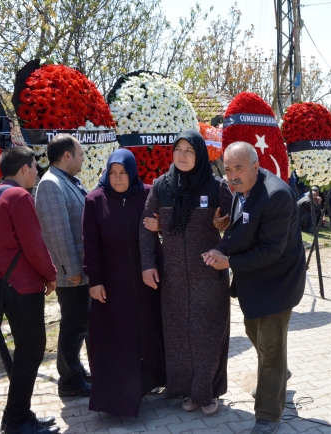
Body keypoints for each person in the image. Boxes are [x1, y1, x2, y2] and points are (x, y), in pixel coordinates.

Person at [202, 142, 306, 434]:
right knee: (256, 334)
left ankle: (268, 415)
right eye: (228, 168)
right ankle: (278, 374)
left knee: (270, 347)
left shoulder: (277, 196)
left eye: (239, 168)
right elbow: (241, 229)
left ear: (255, 167)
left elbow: (271, 251)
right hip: (253, 282)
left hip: (278, 283)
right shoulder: (241, 189)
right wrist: (222, 239)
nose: (232, 175)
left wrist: (229, 262)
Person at [139, 130, 232, 415]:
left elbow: (235, 231)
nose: (182, 155)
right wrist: (148, 264)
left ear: (200, 154)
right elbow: (145, 228)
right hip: (174, 277)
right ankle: (187, 391)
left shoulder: (217, 188)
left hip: (209, 277)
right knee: (179, 336)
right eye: (178, 149)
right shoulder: (161, 186)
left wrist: (221, 231)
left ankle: (206, 392)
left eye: (189, 150)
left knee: (207, 335)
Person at [82, 149, 165, 417]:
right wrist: (94, 280)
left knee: (150, 334)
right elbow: (90, 245)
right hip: (112, 285)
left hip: (146, 281)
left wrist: (161, 226)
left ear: (133, 173)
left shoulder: (148, 194)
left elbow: (166, 227)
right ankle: (116, 402)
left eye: (123, 173)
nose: (118, 179)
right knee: (117, 341)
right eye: (113, 173)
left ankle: (150, 383)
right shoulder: (95, 201)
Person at [0, 147, 59, 434]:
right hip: (22, 285)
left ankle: (19, 415)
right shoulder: (18, 196)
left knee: (26, 352)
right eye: (34, 167)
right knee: (31, 352)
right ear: (24, 168)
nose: (37, 172)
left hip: (4, 285)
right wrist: (50, 275)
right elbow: (34, 245)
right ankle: (16, 421)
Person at [34, 134, 91, 398]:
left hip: (79, 271)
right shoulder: (51, 185)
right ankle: (69, 379)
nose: (82, 159)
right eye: (80, 154)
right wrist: (72, 271)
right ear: (67, 156)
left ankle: (75, 369)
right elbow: (58, 233)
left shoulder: (68, 181)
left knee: (79, 323)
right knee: (73, 325)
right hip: (72, 274)